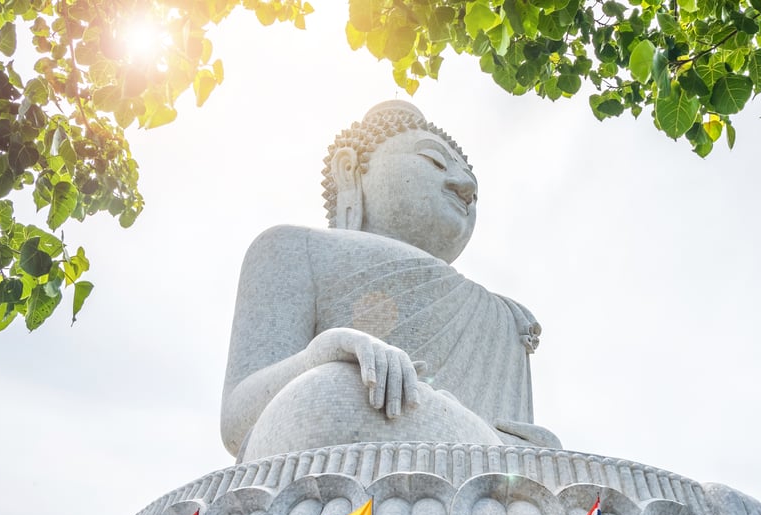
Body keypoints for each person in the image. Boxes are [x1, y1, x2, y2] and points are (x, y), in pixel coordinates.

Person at [221, 101, 560, 462]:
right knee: (331, 391)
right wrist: (322, 355)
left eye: (473, 186)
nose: (463, 187)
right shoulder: (292, 247)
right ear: (349, 170)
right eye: (434, 161)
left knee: (559, 465)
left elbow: (510, 438)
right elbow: (238, 422)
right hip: (333, 436)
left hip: (474, 463)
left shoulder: (503, 316)